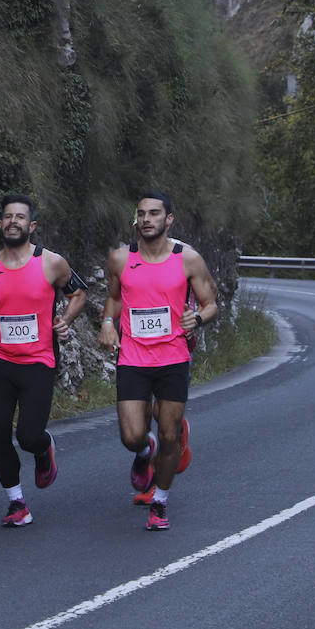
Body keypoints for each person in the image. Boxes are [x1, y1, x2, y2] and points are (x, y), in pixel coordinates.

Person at [0, 194, 87, 527]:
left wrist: (66, 319)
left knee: (29, 436)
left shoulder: (51, 263)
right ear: (0, 224)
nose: (12, 222)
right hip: (0, 362)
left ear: (31, 226)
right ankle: (16, 502)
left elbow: (78, 293)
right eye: (7, 217)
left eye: (19, 217)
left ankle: (44, 448)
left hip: (39, 361)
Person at [98, 192, 217, 531]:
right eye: (141, 214)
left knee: (170, 435)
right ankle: (142, 449)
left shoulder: (188, 259)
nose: (147, 219)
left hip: (173, 357)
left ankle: (160, 502)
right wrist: (107, 323)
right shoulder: (120, 259)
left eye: (154, 213)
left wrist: (199, 318)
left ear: (169, 220)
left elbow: (210, 302)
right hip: (133, 357)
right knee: (131, 436)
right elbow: (113, 299)